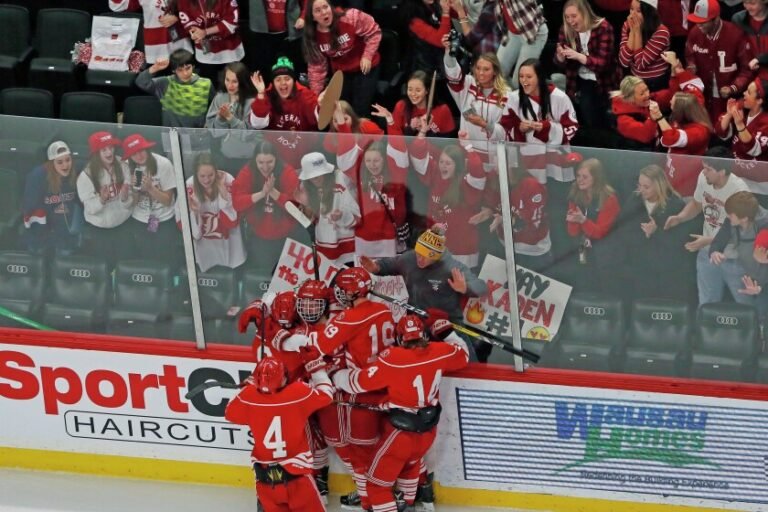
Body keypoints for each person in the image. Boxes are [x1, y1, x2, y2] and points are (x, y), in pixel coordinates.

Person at [280, 267, 395, 512]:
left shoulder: (350, 318)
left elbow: (318, 344)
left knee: (357, 451)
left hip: (358, 390)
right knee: (372, 453)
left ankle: (370, 502)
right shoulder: (384, 310)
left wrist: (279, 336)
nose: (338, 295)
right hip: (382, 384)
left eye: (342, 291)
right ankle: (384, 496)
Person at [331, 314, 469, 512]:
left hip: (401, 435)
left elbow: (358, 383)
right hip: (427, 433)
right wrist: (448, 333)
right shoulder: (440, 351)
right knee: (410, 469)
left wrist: (335, 376)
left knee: (376, 486)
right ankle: (408, 505)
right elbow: (463, 354)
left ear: (399, 338)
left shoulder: (394, 358)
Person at [224, 355, 333, 512]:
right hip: (298, 481)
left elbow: (229, 413)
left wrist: (246, 387)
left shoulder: (248, 396)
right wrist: (317, 370)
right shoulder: (298, 392)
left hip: (266, 484)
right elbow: (327, 395)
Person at [664, 146, 751, 305]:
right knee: (706, 304)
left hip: (734, 259)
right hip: (707, 255)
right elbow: (697, 204)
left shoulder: (740, 191)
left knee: (746, 305)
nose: (704, 172)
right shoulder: (704, 178)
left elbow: (742, 230)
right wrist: (680, 217)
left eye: (708, 169)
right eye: (704, 168)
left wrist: (710, 241)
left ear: (722, 171)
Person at [360, 225, 488, 327]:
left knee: (468, 358)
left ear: (436, 256)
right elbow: (390, 264)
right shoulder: (410, 258)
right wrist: (376, 267)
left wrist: (466, 288)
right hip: (417, 323)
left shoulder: (451, 267)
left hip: (447, 325)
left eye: (425, 256)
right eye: (418, 254)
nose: (419, 259)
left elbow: (482, 286)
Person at [336, 105, 409, 257]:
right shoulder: (359, 173)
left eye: (376, 160)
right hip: (364, 237)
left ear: (385, 160)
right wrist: (342, 124)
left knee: (389, 277)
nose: (372, 164)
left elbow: (399, 151)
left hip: (389, 237)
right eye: (368, 161)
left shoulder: (396, 174)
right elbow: (346, 154)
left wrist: (391, 121)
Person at [410, 131, 487, 268]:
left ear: (457, 165)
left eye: (448, 163)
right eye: (441, 162)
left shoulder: (466, 183)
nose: (443, 166)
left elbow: (478, 172)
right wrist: (421, 133)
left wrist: (468, 147)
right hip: (436, 248)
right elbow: (417, 155)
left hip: (461, 250)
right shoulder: (436, 175)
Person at [618, 164, 693, 302]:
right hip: (641, 268)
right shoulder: (634, 201)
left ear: (659, 186)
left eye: (646, 187)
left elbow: (680, 241)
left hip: (668, 271)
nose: (641, 190)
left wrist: (656, 232)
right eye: (640, 185)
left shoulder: (675, 205)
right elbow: (623, 231)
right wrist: (644, 235)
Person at [500, 58, 579, 183]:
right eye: (521, 76)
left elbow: (572, 128)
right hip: (528, 163)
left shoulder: (559, 97)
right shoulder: (513, 98)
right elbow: (503, 129)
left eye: (529, 77)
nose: (524, 81)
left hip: (556, 163)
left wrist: (547, 128)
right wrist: (519, 129)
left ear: (540, 77)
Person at [303, 0, 382, 120]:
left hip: (365, 67)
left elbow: (374, 32)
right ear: (312, 17)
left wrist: (367, 55)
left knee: (360, 109)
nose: (324, 12)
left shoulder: (350, 17)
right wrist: (316, 97)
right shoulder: (313, 36)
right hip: (342, 73)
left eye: (325, 7)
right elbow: (316, 69)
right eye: (318, 11)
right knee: (342, 109)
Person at [232, 141, 304, 270]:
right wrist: (262, 193)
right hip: (259, 236)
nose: (265, 167)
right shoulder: (247, 172)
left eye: (269, 162)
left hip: (287, 236)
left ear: (276, 159)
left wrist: (274, 193)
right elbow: (237, 203)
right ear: (255, 161)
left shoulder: (287, 172)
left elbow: (297, 208)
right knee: (264, 272)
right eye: (260, 162)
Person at [554, 0, 622, 129]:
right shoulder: (566, 30)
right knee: (589, 117)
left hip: (606, 80)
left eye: (574, 16)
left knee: (609, 121)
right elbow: (563, 65)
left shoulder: (604, 28)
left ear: (584, 13)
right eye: (567, 17)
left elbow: (603, 64)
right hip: (581, 81)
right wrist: (560, 57)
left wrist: (579, 56)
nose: (571, 21)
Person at [684, 0, 754, 124]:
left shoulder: (736, 34)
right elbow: (689, 56)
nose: (698, 25)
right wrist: (691, 67)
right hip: (704, 97)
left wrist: (733, 87)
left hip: (729, 101)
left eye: (703, 22)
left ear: (716, 19)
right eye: (696, 21)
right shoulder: (694, 33)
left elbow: (747, 69)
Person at [443, 45, 509, 169]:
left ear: (495, 71)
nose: (481, 73)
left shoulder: (506, 96)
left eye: (486, 69)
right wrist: (449, 53)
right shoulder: (467, 85)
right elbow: (453, 74)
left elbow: (507, 132)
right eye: (478, 68)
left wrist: (484, 124)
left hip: (494, 158)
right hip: (468, 154)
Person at [249, 57, 321, 168]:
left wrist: (323, 105)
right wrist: (260, 94)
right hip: (276, 164)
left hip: (306, 160)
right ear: (273, 83)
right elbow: (257, 124)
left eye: (287, 78)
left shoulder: (304, 94)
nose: (283, 83)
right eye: (278, 79)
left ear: (294, 80)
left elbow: (319, 118)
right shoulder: (266, 95)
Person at [565, 158, 623, 294]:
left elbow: (600, 233)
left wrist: (583, 221)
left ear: (596, 178)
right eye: (578, 176)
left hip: (608, 254)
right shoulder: (576, 193)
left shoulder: (609, 199)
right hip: (585, 251)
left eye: (585, 177)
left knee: (606, 290)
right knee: (586, 287)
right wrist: (572, 221)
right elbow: (573, 233)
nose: (580, 180)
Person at [76, 132, 135, 267]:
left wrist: (125, 198)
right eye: (104, 149)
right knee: (103, 268)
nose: (109, 152)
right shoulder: (86, 176)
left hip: (123, 228)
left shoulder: (122, 165)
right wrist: (101, 200)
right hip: (99, 232)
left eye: (111, 148)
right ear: (97, 153)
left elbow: (129, 201)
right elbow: (90, 209)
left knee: (125, 265)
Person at [181, 152, 246, 272]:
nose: (206, 180)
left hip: (228, 241)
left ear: (216, 171)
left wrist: (223, 194)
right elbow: (192, 232)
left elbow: (233, 220)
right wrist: (194, 213)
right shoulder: (189, 186)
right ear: (196, 174)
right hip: (205, 245)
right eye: (202, 176)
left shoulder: (228, 180)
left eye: (210, 175)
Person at [122, 134, 179, 265]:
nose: (139, 156)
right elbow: (131, 204)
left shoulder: (163, 164)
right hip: (140, 219)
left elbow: (168, 201)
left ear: (147, 149)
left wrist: (150, 189)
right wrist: (134, 190)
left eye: (141, 150)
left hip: (164, 219)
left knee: (165, 259)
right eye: (134, 153)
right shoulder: (127, 167)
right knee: (144, 260)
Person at [295, 151, 360, 265]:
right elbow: (311, 219)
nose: (316, 178)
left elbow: (357, 217)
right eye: (312, 176)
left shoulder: (341, 179)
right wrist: (306, 210)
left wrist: (342, 215)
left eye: (319, 173)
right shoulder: (305, 187)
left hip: (348, 249)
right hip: (323, 247)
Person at [708, 190, 768, 308]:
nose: (727, 216)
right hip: (749, 275)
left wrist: (761, 287)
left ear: (744, 218)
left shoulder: (764, 227)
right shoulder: (731, 221)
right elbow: (718, 241)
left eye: (731, 214)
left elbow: (763, 260)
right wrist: (714, 252)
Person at [22, 141, 83, 256]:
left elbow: (80, 203)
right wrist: (53, 210)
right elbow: (30, 207)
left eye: (68, 160)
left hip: (65, 235)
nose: (65, 166)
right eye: (60, 162)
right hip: (41, 232)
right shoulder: (37, 177)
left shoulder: (77, 172)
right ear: (51, 163)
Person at [651, 91, 713, 198]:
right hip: (672, 178)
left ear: (681, 110)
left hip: (687, 187)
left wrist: (659, 117)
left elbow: (671, 138)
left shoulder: (700, 131)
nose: (669, 102)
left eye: (673, 103)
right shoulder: (679, 120)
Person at [136, 48, 214, 128]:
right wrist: (155, 68)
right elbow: (141, 82)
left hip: (197, 136)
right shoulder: (166, 83)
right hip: (170, 135)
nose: (185, 73)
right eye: (180, 70)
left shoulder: (206, 84)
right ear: (173, 70)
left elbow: (213, 109)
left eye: (188, 68)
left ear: (193, 66)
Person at [205, 62, 258, 174]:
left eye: (234, 81)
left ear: (242, 82)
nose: (230, 85)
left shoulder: (252, 102)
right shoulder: (220, 98)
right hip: (224, 157)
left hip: (248, 159)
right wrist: (220, 119)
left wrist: (230, 118)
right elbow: (213, 131)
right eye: (227, 80)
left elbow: (249, 134)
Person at [177, 0, 245, 81]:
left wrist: (205, 32)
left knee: (234, 86)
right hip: (206, 53)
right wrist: (195, 33)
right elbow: (187, 20)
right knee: (209, 86)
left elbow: (231, 22)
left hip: (229, 50)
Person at [108, 0, 192, 63]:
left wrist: (178, 16)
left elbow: (198, 5)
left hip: (181, 42)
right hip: (155, 46)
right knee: (158, 83)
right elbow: (118, 6)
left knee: (184, 83)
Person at [490, 0, 549, 87]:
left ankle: (530, 96)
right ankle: (506, 97)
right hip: (513, 34)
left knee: (519, 81)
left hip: (534, 34)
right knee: (497, 73)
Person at [618, 0, 671, 91]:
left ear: (649, 13)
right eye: (631, 9)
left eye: (638, 11)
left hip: (656, 81)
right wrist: (632, 32)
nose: (633, 15)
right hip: (635, 79)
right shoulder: (627, 25)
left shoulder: (661, 32)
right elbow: (624, 61)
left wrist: (637, 32)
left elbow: (640, 64)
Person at [716, 78, 768, 170]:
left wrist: (740, 124)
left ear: (759, 100)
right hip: (736, 172)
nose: (744, 93)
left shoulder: (765, 122)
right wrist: (729, 114)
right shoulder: (741, 108)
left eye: (748, 92)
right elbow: (720, 132)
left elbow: (754, 150)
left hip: (757, 180)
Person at [388, 70, 456, 137]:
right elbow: (396, 140)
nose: (413, 94)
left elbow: (448, 142)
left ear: (427, 90)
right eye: (410, 89)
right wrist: (410, 129)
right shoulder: (401, 106)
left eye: (418, 90)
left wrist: (427, 131)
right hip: (407, 147)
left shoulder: (443, 110)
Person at [402, 0, 454, 78]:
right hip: (427, 70)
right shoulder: (414, 19)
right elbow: (441, 40)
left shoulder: (434, 4)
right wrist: (445, 13)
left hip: (443, 58)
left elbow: (460, 14)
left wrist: (455, 5)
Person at [610, 75, 659, 150]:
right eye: (642, 93)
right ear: (630, 98)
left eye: (647, 89)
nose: (647, 94)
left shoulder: (643, 102)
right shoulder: (623, 120)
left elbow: (666, 97)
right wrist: (652, 119)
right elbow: (646, 135)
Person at [732, 0, 768, 81]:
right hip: (747, 76)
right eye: (744, 2)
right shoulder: (738, 20)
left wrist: (761, 59)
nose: (747, 7)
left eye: (752, 3)